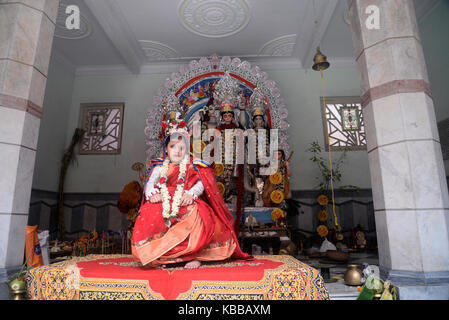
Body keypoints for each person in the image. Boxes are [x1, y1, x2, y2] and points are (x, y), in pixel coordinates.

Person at [131, 114, 251, 269]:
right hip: (163, 200)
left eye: (181, 148)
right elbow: (150, 184)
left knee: (198, 216)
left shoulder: (192, 165)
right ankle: (164, 258)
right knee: (150, 215)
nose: (177, 151)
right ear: (166, 149)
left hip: (185, 198)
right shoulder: (159, 167)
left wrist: (191, 194)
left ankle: (193, 255)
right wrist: (153, 194)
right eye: (173, 147)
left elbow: (202, 183)